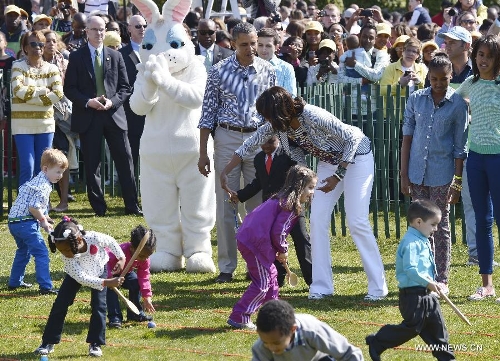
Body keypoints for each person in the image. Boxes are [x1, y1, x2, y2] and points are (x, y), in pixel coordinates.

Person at [220, 86, 388, 301]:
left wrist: (339, 174)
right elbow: (250, 144)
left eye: (268, 115)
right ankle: (321, 286)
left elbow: (353, 136)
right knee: (317, 220)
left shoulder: (311, 114)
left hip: (358, 157)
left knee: (357, 221)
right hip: (329, 162)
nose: (266, 121)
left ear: (279, 110)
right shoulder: (278, 127)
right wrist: (225, 171)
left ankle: (377, 288)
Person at [197, 22, 276, 283]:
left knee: (257, 206)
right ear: (232, 43)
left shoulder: (268, 71)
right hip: (227, 137)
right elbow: (207, 112)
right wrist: (202, 152)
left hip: (257, 138)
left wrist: (271, 139)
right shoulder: (218, 71)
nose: (251, 49)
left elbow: (272, 112)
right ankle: (227, 267)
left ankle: (257, 265)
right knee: (226, 203)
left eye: (254, 43)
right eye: (245, 44)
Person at [400, 53, 468, 296]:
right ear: (428, 76)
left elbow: (461, 147)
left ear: (451, 77)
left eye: (444, 79)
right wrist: (403, 175)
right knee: (419, 226)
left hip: (443, 174)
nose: (438, 84)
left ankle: (442, 279)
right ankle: (424, 277)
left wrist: (457, 182)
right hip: (417, 173)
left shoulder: (458, 104)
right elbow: (406, 138)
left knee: (440, 227)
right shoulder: (416, 99)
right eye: (434, 78)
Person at [64, 15, 141, 217]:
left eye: (102, 29)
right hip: (89, 115)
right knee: (92, 165)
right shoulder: (76, 57)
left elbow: (125, 87)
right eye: (95, 29)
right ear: (87, 31)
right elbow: (69, 89)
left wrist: (112, 102)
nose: (99, 33)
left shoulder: (115, 56)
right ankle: (99, 207)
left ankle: (131, 205)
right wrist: (88, 101)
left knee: (125, 161)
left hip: (114, 114)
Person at [227, 165, 317, 330]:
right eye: (310, 187)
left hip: (254, 239)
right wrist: (282, 249)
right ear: (299, 186)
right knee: (262, 282)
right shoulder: (289, 205)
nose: (312, 192)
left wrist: (278, 248)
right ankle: (240, 316)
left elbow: (271, 228)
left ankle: (273, 315)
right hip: (255, 242)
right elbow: (279, 231)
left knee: (272, 276)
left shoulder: (281, 199)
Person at [366, 199, 455, 361]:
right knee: (412, 328)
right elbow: (411, 269)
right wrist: (428, 282)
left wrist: (433, 284)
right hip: (412, 296)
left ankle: (447, 358)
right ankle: (377, 341)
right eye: (433, 225)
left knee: (438, 330)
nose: (435, 229)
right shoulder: (411, 243)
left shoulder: (422, 239)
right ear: (419, 222)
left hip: (427, 295)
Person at [34, 216, 126, 357]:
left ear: (78, 240)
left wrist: (121, 257)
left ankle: (95, 343)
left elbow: (110, 241)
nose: (64, 254)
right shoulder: (68, 259)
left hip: (99, 270)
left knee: (99, 306)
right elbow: (82, 278)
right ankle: (48, 342)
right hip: (77, 275)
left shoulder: (93, 237)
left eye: (66, 250)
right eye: (61, 251)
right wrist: (107, 282)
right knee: (60, 304)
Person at [230, 136, 312, 286]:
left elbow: (300, 176)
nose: (265, 146)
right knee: (274, 245)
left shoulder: (288, 155)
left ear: (278, 139)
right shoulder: (259, 158)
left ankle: (312, 279)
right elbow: (259, 182)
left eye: (270, 142)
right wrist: (240, 195)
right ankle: (277, 279)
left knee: (302, 241)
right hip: (273, 212)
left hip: (292, 208)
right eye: (262, 142)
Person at [455, 35, 500, 302]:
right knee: (482, 221)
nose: (483, 60)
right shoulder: (470, 84)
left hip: (498, 159)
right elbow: (450, 97)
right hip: (476, 160)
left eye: (489, 56)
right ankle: (487, 285)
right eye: (480, 54)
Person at [7, 149, 67, 294]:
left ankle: (14, 282)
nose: (61, 176)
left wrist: (45, 217)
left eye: (62, 172)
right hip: (25, 223)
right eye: (58, 172)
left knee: (23, 251)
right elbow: (33, 207)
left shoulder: (37, 180)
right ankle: (45, 286)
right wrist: (43, 221)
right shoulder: (44, 186)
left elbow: (34, 204)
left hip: (14, 222)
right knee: (41, 253)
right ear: (45, 169)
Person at [10, 30, 64, 187]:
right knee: (28, 166)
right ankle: (23, 210)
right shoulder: (17, 66)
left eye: (41, 44)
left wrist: (30, 97)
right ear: (25, 47)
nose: (38, 47)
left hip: (45, 124)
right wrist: (43, 92)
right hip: (22, 125)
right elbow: (17, 91)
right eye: (33, 44)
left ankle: (42, 208)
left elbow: (58, 93)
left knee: (45, 169)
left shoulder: (52, 68)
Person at [252, 299, 364, 360]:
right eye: (266, 343)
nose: (271, 348)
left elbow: (350, 354)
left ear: (292, 330)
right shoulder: (261, 347)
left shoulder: (312, 331)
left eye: (276, 343)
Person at [107, 225, 156, 329]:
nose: (145, 259)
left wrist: (147, 297)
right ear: (132, 248)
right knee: (111, 291)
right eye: (142, 256)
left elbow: (144, 276)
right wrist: (110, 279)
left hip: (126, 273)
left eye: (148, 256)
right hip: (109, 273)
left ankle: (135, 314)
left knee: (136, 283)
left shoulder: (144, 258)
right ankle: (115, 318)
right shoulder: (117, 252)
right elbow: (104, 266)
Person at [119, 15, 147, 174]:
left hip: (155, 109)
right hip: (131, 110)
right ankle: (132, 184)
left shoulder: (156, 50)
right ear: (129, 29)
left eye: (144, 25)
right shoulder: (121, 54)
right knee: (133, 148)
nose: (142, 29)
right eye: (137, 26)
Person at [256, 28, 296, 96]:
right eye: (260, 45)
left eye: (268, 46)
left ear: (276, 47)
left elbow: (291, 96)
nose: (263, 49)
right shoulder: (249, 66)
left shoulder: (286, 68)